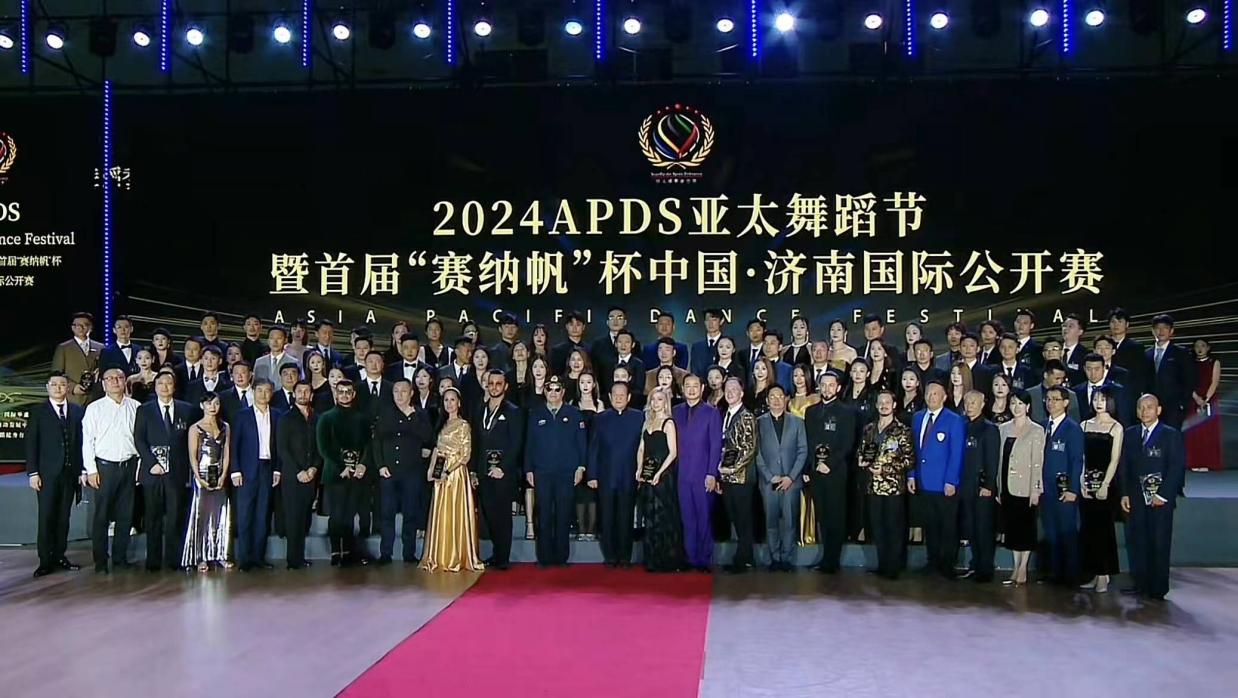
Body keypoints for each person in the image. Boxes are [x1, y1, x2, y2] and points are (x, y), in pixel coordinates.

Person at [1120, 394, 1186, 601]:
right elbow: (1124, 467)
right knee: (1138, 541)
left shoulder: (1170, 435)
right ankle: (1141, 584)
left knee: (1159, 542)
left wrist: (1163, 494)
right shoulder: (1130, 434)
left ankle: (1158, 588)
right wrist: (1124, 493)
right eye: (1141, 407)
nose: (1145, 411)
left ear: (1158, 410)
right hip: (1136, 498)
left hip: (1160, 500)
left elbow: (1176, 467)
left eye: (1149, 407)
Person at [25, 372, 85, 577]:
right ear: (47, 387)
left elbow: (81, 443)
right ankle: (45, 560)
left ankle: (60, 555)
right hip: (47, 474)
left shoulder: (77, 411)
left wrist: (82, 470)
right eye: (54, 384)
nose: (58, 388)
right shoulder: (38, 412)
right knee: (47, 516)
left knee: (63, 517)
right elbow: (31, 443)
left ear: (68, 387)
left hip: (70, 474)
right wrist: (33, 472)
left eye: (62, 384)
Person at [81, 368, 141, 572]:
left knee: (126, 514)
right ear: (104, 383)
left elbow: (140, 439)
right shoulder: (94, 408)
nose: (115, 381)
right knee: (102, 515)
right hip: (104, 468)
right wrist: (90, 470)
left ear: (125, 381)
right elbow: (87, 441)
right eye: (110, 378)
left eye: (119, 378)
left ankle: (120, 558)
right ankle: (100, 560)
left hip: (129, 466)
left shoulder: (135, 406)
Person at [524, 376, 588, 566]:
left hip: (566, 472)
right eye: (549, 389)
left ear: (563, 392)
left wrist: (581, 467)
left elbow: (582, 443)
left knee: (563, 514)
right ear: (544, 391)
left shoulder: (574, 414)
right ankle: (544, 557)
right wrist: (528, 469)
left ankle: (561, 557)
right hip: (542, 471)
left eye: (557, 389)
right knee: (543, 514)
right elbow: (529, 444)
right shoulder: (535, 414)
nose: (553, 393)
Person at [369, 377, 433, 564]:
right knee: (387, 513)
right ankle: (385, 553)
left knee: (410, 513)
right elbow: (376, 441)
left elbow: (427, 436)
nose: (399, 395)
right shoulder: (385, 413)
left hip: (411, 472)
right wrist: (380, 466)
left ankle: (409, 553)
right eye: (396, 391)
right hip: (388, 471)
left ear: (411, 393)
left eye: (403, 391)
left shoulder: (419, 414)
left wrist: (411, 417)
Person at [419, 387, 484, 573]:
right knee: (442, 514)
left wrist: (448, 470)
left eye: (452, 399)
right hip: (441, 475)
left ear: (459, 402)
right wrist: (433, 471)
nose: (449, 403)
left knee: (455, 513)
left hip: (455, 475)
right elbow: (437, 450)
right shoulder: (442, 425)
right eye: (446, 400)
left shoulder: (463, 425)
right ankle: (440, 555)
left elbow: (465, 455)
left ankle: (456, 556)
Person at [133, 371, 192, 571]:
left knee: (175, 516)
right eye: (161, 383)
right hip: (153, 472)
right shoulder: (144, 410)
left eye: (169, 383)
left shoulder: (187, 410)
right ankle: (154, 560)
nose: (165, 387)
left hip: (177, 472)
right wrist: (152, 463)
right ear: (155, 387)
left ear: (174, 387)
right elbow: (139, 440)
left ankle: (175, 559)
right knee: (153, 517)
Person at [910, 381, 966, 579]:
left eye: (935, 393)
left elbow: (956, 453)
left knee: (947, 526)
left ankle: (948, 564)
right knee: (930, 525)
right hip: (924, 481)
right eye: (928, 393)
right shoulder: (917, 418)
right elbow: (913, 450)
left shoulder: (954, 420)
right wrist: (911, 475)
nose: (931, 396)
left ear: (944, 397)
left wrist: (951, 480)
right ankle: (932, 561)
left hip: (944, 483)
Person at [315, 379, 374, 566]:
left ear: (353, 394)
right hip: (335, 473)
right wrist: (343, 467)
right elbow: (324, 447)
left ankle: (348, 551)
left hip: (357, 474)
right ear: (336, 394)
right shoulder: (326, 418)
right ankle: (335, 551)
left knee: (349, 514)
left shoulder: (362, 418)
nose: (345, 395)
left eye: (348, 391)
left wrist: (362, 465)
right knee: (337, 514)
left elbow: (368, 445)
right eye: (341, 391)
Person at [803, 370, 857, 573]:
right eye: (823, 385)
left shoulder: (846, 412)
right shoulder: (811, 412)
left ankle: (832, 560)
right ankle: (826, 557)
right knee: (823, 516)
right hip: (816, 472)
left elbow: (847, 443)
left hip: (836, 472)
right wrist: (809, 466)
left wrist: (830, 464)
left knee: (836, 516)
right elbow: (808, 442)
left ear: (838, 387)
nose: (827, 388)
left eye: (831, 385)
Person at [587, 381, 644, 567]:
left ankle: (625, 557)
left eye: (622, 395)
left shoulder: (639, 417)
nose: (618, 398)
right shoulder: (600, 418)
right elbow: (593, 448)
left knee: (625, 518)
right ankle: (610, 556)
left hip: (630, 476)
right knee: (607, 518)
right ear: (610, 397)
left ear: (628, 397)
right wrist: (592, 475)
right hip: (606, 476)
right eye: (615, 395)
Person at [859, 390, 914, 579]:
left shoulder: (902, 430)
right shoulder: (869, 429)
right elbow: (862, 451)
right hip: (873, 487)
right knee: (878, 528)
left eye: (887, 402)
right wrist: (863, 462)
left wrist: (885, 469)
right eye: (880, 402)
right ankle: (882, 564)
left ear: (894, 405)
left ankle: (894, 567)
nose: (883, 405)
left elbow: (909, 460)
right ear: (876, 405)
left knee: (894, 528)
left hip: (893, 488)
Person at [472, 370, 523, 570]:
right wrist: (474, 470)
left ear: (505, 386)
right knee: (489, 515)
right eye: (491, 383)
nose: (494, 387)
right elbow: (476, 443)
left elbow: (516, 444)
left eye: (498, 383)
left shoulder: (513, 411)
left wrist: (503, 467)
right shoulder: (479, 410)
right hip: (484, 472)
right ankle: (496, 552)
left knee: (502, 516)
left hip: (503, 473)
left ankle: (503, 557)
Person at [229, 378, 282, 571]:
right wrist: (235, 470)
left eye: (267, 391)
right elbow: (234, 444)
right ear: (253, 392)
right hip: (246, 470)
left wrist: (277, 469)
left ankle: (259, 558)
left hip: (268, 468)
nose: (263, 394)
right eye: (260, 390)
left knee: (262, 514)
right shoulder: (242, 415)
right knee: (245, 515)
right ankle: (245, 559)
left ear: (272, 393)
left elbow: (280, 445)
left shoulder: (277, 415)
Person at [755, 385, 808, 572]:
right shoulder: (759, 423)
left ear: (786, 399)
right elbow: (756, 453)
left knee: (790, 521)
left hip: (791, 482)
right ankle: (774, 558)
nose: (776, 400)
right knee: (771, 521)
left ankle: (786, 558)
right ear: (767, 400)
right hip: (769, 482)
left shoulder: (797, 422)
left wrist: (791, 477)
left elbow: (803, 451)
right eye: (772, 396)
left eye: (780, 396)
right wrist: (770, 477)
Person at [673, 375, 722, 572]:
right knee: (687, 518)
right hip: (682, 474)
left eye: (695, 386)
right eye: (688, 386)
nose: (691, 390)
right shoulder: (676, 411)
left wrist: (712, 473)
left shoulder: (712, 413)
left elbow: (716, 445)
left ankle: (704, 559)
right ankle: (690, 557)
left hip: (703, 473)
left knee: (704, 517)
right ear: (682, 389)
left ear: (702, 388)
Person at [1078, 387, 1123, 593]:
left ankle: (1105, 574)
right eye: (1096, 399)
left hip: (1106, 485)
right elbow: (1082, 457)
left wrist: (1105, 484)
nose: (1098, 403)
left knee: (1104, 529)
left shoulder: (1116, 427)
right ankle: (1094, 573)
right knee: (1089, 529)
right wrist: (1081, 481)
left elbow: (1115, 459)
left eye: (1103, 399)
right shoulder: (1084, 425)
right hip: (1087, 483)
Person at [182, 392, 233, 572]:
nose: (213, 407)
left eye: (216, 403)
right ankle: (200, 556)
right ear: (202, 405)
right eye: (209, 403)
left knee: (221, 514)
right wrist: (198, 478)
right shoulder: (195, 428)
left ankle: (220, 554)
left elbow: (226, 453)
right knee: (201, 515)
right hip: (202, 474)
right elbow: (192, 456)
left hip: (219, 474)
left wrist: (223, 475)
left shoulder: (225, 427)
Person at [637, 388, 686, 572]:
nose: (656, 403)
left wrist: (659, 473)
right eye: (653, 399)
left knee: (662, 516)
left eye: (659, 399)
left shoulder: (668, 423)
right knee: (649, 516)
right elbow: (641, 448)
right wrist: (639, 468)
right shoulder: (647, 422)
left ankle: (666, 559)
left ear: (665, 402)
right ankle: (652, 558)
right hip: (648, 476)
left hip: (663, 476)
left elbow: (673, 453)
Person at [998, 390, 1044, 586]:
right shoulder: (1003, 428)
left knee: (1025, 528)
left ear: (1028, 407)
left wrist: (1036, 489)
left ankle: (1023, 567)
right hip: (1007, 485)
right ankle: (1015, 566)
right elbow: (1000, 460)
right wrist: (998, 486)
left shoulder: (1036, 430)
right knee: (1013, 528)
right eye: (1013, 403)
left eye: (1020, 404)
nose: (1016, 407)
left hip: (1026, 487)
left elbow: (1037, 462)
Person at [1040, 385, 1085, 586]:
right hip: (1046, 489)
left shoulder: (1072, 429)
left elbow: (1077, 461)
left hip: (1064, 490)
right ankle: (1055, 573)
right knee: (1051, 532)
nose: (1051, 403)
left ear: (1066, 403)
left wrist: (1073, 489)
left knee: (1067, 533)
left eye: (1056, 399)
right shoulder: (1042, 426)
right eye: (1048, 399)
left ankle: (1071, 575)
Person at [276, 381, 321, 570]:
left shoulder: (317, 418)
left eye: (306, 391)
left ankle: (300, 557)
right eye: (299, 391)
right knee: (293, 518)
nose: (303, 394)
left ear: (311, 395)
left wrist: (314, 468)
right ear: (294, 394)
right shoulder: (285, 418)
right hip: (292, 476)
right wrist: (298, 471)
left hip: (311, 475)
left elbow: (320, 446)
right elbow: (282, 448)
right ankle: (293, 560)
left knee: (305, 518)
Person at [960, 391, 1000, 583]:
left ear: (982, 404)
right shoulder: (962, 425)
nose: (969, 406)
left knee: (984, 529)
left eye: (973, 403)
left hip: (981, 487)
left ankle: (985, 569)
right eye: (967, 402)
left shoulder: (989, 429)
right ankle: (975, 564)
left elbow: (992, 460)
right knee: (972, 528)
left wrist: (988, 485)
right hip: (965, 486)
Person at [719, 378, 758, 573]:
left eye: (734, 389)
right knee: (735, 516)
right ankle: (745, 556)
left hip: (741, 477)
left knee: (743, 518)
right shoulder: (725, 414)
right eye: (727, 389)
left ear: (742, 393)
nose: (730, 392)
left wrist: (732, 469)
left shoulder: (747, 416)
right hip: (727, 477)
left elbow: (749, 448)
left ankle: (743, 559)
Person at [1147, 314, 1193, 430]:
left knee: (1172, 436)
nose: (1161, 331)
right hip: (1150, 407)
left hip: (1174, 407)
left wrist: (1183, 404)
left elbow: (1189, 380)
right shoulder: (1146, 354)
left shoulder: (1181, 353)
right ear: (1153, 331)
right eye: (1158, 328)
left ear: (1171, 331)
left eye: (1165, 328)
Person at [1185, 338, 1222, 471]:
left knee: (1208, 431)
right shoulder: (1190, 363)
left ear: (1208, 348)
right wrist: (1196, 398)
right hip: (1194, 399)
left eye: (1202, 346)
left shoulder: (1214, 362)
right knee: (1194, 431)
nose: (1199, 349)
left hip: (1209, 399)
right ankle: (1195, 462)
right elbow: (1187, 383)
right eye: (1197, 346)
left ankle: (1208, 462)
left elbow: (1214, 381)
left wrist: (1205, 399)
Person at [53, 311, 104, 406]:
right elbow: (56, 374)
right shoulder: (63, 348)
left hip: (95, 398)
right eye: (76, 325)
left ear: (91, 327)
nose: (80, 328)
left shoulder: (100, 347)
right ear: (72, 327)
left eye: (84, 325)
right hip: (73, 399)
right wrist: (72, 387)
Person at [1076, 352, 1134, 425]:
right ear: (1084, 369)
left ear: (1104, 368)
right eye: (1089, 369)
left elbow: (1125, 418)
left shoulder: (1117, 391)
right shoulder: (1076, 391)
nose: (1093, 373)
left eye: (1097, 369)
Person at [1106, 308, 1147, 395]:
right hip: (1104, 391)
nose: (1116, 325)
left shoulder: (1136, 347)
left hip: (1127, 392)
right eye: (1113, 322)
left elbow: (1140, 374)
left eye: (1120, 321)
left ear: (1127, 324)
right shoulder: (1102, 345)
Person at [690, 308, 727, 379]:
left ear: (721, 321)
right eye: (707, 320)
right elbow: (694, 371)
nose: (710, 323)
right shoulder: (697, 347)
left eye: (714, 320)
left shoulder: (727, 345)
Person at [551, 311, 589, 377]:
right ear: (566, 326)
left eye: (578, 325)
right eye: (571, 324)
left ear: (583, 327)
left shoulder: (589, 350)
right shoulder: (557, 351)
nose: (574, 328)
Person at [1012, 309, 1043, 378]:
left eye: (1025, 323)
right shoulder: (1006, 345)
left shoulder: (1038, 349)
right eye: (1018, 322)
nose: (1021, 325)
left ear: (1031, 326)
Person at [1061, 314, 1088, 386]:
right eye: (1064, 326)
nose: (1066, 329)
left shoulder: (1085, 354)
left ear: (1080, 332)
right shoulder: (1054, 350)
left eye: (1070, 326)